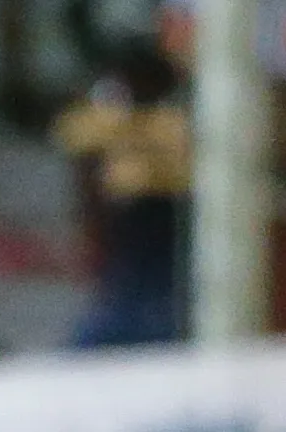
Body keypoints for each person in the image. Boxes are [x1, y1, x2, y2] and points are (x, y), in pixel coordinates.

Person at [56, 39, 191, 349]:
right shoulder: (101, 126)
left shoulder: (173, 127)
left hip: (165, 231)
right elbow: (88, 183)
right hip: (127, 241)